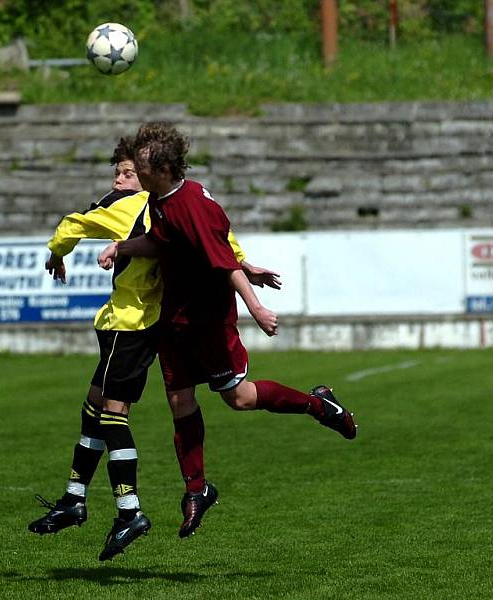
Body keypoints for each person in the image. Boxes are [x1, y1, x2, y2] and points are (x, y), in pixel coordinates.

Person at [98, 121, 357, 539]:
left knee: (238, 398)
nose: (134, 173)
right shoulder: (162, 199)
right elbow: (162, 242)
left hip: (208, 320)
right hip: (174, 317)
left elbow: (224, 262)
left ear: (162, 167)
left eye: (140, 167)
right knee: (179, 400)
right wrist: (121, 247)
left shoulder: (191, 206)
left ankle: (319, 405)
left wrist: (255, 307)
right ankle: (197, 490)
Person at [29, 137, 278, 560]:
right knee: (94, 407)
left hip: (129, 323)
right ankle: (74, 498)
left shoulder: (128, 205)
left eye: (128, 172)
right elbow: (217, 238)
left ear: (147, 173)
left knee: (111, 414)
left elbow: (73, 223)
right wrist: (245, 263)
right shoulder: (169, 202)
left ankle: (129, 512)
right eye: (120, 172)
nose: (121, 179)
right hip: (157, 323)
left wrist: (56, 254)